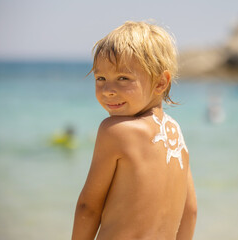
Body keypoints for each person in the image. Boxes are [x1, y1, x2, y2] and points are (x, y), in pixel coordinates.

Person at [72, 21, 197, 240]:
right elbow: (190, 212)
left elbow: (88, 207)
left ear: (160, 83)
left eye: (123, 78)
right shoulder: (176, 133)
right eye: (100, 78)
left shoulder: (115, 131)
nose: (108, 90)